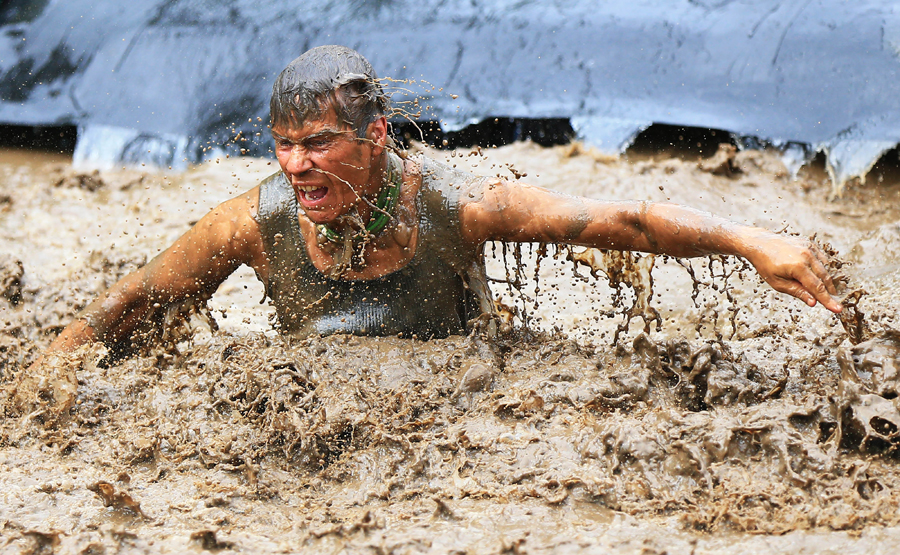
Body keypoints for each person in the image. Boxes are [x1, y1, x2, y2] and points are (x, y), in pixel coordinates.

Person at [41, 45, 841, 358]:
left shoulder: (461, 204)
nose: (297, 165)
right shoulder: (252, 224)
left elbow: (615, 218)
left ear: (377, 135)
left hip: (455, 392)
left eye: (318, 143)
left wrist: (749, 239)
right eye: (284, 145)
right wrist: (45, 378)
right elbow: (139, 296)